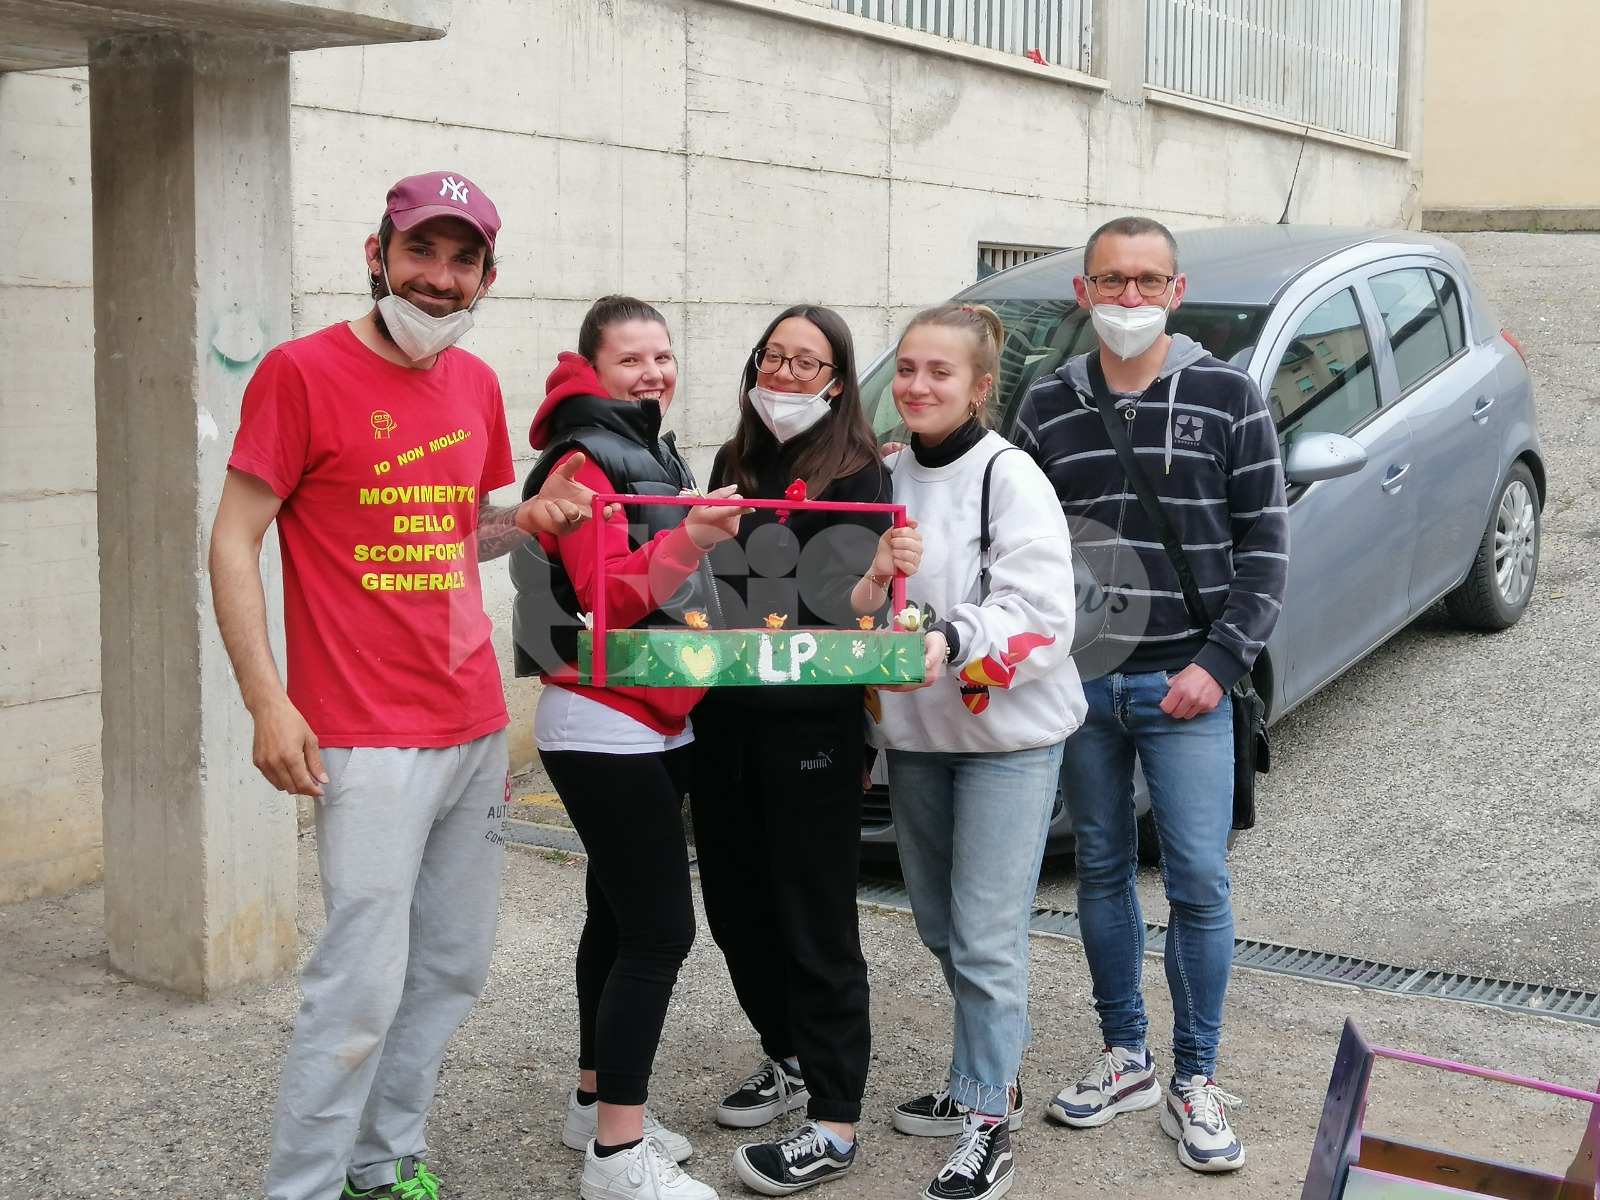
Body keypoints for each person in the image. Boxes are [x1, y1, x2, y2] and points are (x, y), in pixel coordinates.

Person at [210, 171, 601, 1200]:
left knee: (451, 967)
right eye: (420, 250)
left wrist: (526, 520)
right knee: (357, 985)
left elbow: (452, 530)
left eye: (463, 259)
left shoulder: (472, 383)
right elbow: (234, 538)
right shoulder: (300, 374)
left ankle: (382, 1162)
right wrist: (266, 700)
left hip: (472, 719)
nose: (439, 276)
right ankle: (301, 1186)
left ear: (487, 277)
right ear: (376, 254)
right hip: (364, 733)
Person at [1013, 216, 1288, 1174]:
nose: (1128, 298)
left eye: (1147, 281)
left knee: (1199, 881)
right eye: (1110, 281)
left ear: (1177, 292)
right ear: (1082, 292)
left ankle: (1195, 1076)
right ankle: (1125, 1053)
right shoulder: (1046, 405)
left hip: (1189, 683)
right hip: (1081, 684)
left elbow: (1266, 547)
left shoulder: (1228, 395)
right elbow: (1015, 543)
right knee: (1098, 868)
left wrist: (1220, 662)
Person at [516, 295, 747, 1200]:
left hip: (656, 715)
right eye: (631, 361)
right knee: (659, 930)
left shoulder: (646, 444)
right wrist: (690, 537)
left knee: (616, 918)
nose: (653, 373)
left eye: (663, 356)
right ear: (591, 369)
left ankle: (593, 1104)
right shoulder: (584, 457)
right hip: (602, 720)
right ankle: (616, 1155)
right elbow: (604, 601)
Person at [687, 306, 923, 1196]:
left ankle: (834, 1117)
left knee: (815, 921)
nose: (785, 376)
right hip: (724, 720)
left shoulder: (860, 472)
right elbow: (712, 588)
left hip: (811, 727)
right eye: (774, 358)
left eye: (807, 363)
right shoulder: (733, 460)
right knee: (736, 907)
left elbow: (850, 607)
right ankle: (785, 1056)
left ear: (836, 380)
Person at [870, 303, 1084, 1200]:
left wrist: (952, 638)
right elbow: (862, 596)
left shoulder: (1009, 474)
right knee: (939, 927)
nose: (918, 385)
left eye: (940, 372)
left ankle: (989, 1123)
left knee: (988, 939)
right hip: (917, 737)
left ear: (980, 387)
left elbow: (1044, 614)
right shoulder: (885, 474)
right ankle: (980, 1080)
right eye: (907, 369)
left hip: (1005, 741)